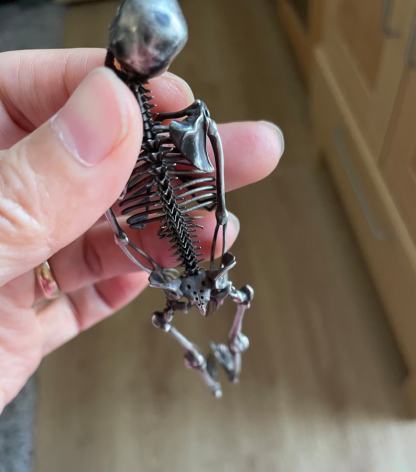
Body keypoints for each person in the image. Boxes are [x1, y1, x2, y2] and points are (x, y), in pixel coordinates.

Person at [0, 48, 284, 413]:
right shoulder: (192, 271)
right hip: (132, 160)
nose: (201, 305)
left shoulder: (191, 274)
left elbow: (139, 250)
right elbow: (130, 240)